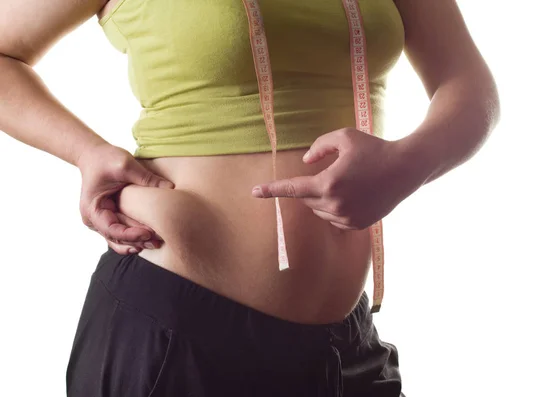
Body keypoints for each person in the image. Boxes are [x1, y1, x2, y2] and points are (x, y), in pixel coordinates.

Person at [0, 0, 499, 395]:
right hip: (177, 336)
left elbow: (470, 84)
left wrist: (406, 165)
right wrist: (85, 152)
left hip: (345, 348)